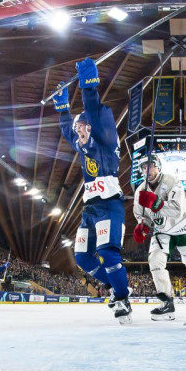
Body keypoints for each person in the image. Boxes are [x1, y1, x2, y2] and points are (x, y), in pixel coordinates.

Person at [52, 58, 132, 324]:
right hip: (90, 209)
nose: (78, 134)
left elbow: (94, 109)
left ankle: (122, 298)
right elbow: (66, 130)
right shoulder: (82, 141)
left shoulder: (105, 140)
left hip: (109, 205)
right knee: (84, 258)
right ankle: (116, 286)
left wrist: (88, 83)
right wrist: (63, 107)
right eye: (77, 130)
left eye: (81, 129)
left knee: (109, 254)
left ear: (91, 127)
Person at [132, 157, 186, 321]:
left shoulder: (172, 181)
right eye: (144, 167)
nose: (148, 171)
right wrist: (143, 226)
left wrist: (155, 202)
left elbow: (177, 210)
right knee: (155, 261)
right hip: (161, 231)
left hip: (184, 228)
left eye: (151, 166)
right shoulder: (140, 190)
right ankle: (167, 303)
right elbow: (142, 216)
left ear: (159, 167)